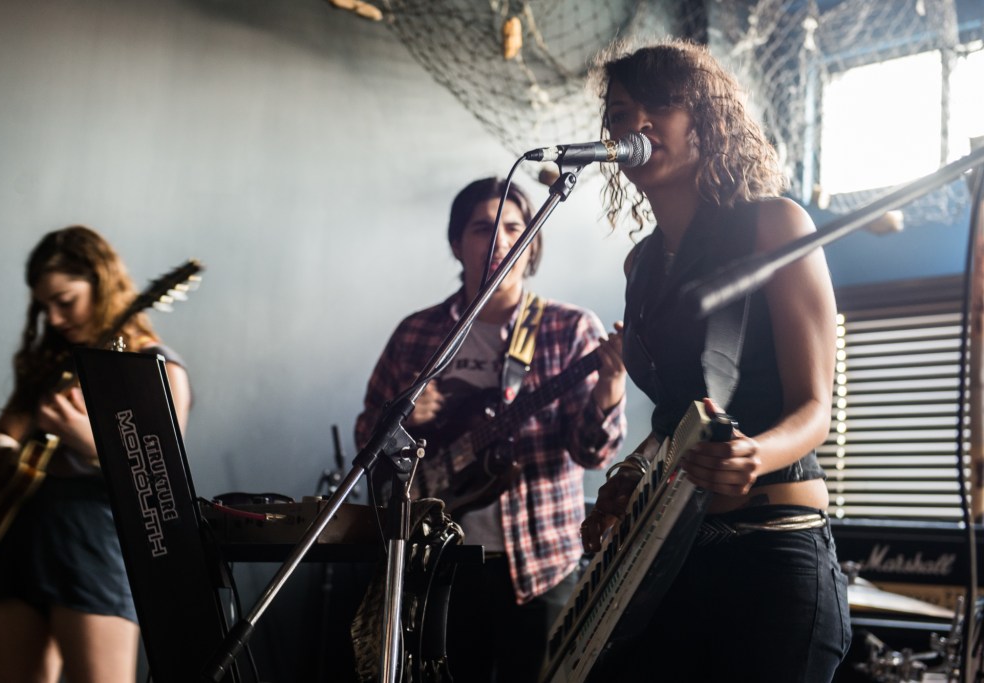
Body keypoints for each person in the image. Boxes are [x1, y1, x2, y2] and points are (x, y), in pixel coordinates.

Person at [579, 40, 851, 682]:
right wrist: (633, 475)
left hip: (774, 547)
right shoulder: (640, 265)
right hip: (670, 557)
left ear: (707, 117)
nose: (635, 125)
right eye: (619, 114)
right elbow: (678, 417)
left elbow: (815, 408)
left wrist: (754, 453)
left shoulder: (775, 225)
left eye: (660, 105)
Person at [355, 177, 627, 682]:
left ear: (533, 243)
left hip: (541, 563)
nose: (500, 240)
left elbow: (592, 453)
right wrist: (404, 420)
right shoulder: (418, 333)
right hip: (440, 560)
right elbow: (366, 440)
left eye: (513, 227)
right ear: (458, 244)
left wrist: (610, 384)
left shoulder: (568, 329)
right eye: (483, 228)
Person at [0, 225, 192, 683]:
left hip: (93, 543)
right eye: (43, 306)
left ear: (101, 281)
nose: (52, 319)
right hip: (20, 536)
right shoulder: (54, 364)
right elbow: (3, 435)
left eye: (64, 301)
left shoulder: (156, 366)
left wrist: (84, 438)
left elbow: (158, 481)